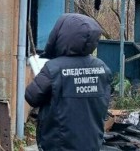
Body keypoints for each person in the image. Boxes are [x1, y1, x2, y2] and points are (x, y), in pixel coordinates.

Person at [25, 13, 113, 151]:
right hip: (92, 143)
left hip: (59, 144)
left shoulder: (54, 68)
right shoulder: (103, 68)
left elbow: (31, 96)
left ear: (61, 35)